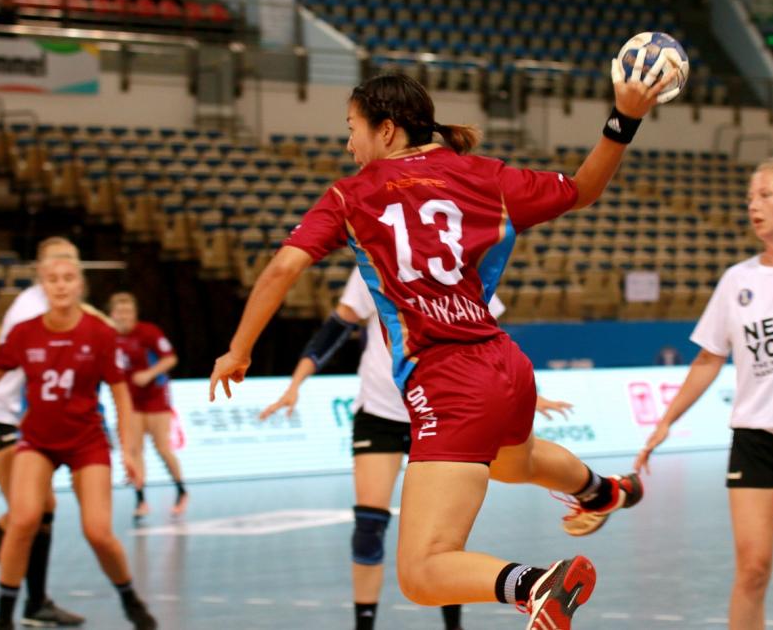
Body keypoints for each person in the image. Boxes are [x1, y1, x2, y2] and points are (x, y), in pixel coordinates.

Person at [210, 66, 670, 628]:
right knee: (512, 462)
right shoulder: (485, 175)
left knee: (422, 573)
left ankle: (535, 584)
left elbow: (284, 266)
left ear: (387, 129)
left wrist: (237, 349)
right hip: (504, 362)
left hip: (447, 380)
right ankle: (602, 492)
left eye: (352, 127)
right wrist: (627, 117)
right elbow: (583, 190)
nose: (348, 142)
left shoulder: (352, 195)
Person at [262, 269, 574, 630]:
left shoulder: (457, 263)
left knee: (444, 539)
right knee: (368, 527)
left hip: (442, 406)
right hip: (381, 408)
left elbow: (490, 339)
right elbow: (336, 326)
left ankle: (453, 625)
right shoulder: (371, 263)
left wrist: (530, 393)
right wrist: (296, 384)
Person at [633, 160, 773, 629]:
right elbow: (709, 357)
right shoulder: (737, 280)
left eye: (766, 194)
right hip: (753, 437)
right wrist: (667, 420)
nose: (753, 204)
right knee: (751, 569)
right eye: (750, 196)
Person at [0, 252, 158, 630]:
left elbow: (120, 395)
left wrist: (130, 451)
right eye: (53, 279)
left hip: (86, 442)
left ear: (80, 284)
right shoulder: (25, 332)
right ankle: (4, 618)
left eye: (68, 278)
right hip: (38, 441)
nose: (61, 285)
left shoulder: (98, 334)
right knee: (24, 519)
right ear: (43, 285)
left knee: (97, 531)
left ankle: (130, 599)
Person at [0, 237, 85, 629]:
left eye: (70, 265)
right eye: (55, 266)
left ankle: (36, 603)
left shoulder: (59, 307)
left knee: (44, 509)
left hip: (19, 419)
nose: (63, 275)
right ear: (42, 271)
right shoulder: (33, 308)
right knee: (27, 511)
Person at [107, 292, 187, 519]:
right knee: (134, 450)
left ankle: (181, 489)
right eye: (120, 312)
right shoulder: (109, 337)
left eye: (128, 311)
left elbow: (170, 358)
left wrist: (149, 374)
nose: (124, 316)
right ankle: (140, 499)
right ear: (112, 314)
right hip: (130, 401)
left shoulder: (148, 332)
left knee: (162, 447)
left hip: (155, 398)